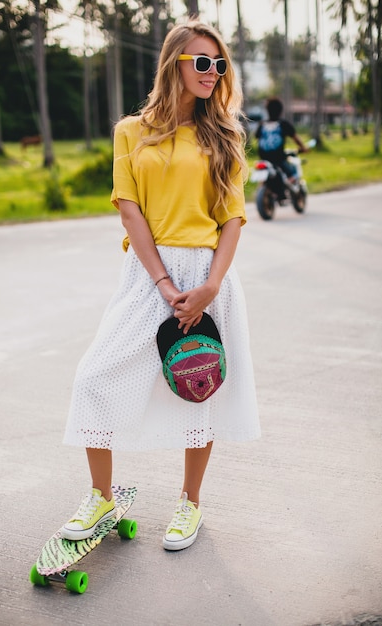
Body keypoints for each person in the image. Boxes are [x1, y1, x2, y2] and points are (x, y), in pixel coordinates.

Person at [61, 20, 260, 552]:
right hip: (149, 276)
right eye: (202, 62)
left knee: (199, 389)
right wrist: (164, 282)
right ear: (174, 64)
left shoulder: (226, 134)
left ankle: (190, 503)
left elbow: (233, 219)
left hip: (208, 275)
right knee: (93, 377)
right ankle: (100, 496)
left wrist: (211, 286)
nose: (212, 74)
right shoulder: (131, 131)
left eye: (219, 65)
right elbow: (130, 211)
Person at [255, 97, 308, 190]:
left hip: (263, 158)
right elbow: (296, 139)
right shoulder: (283, 124)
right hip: (278, 158)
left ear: (267, 110)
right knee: (293, 173)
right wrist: (303, 148)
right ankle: (290, 187)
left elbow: (258, 139)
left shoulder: (262, 124)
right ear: (280, 111)